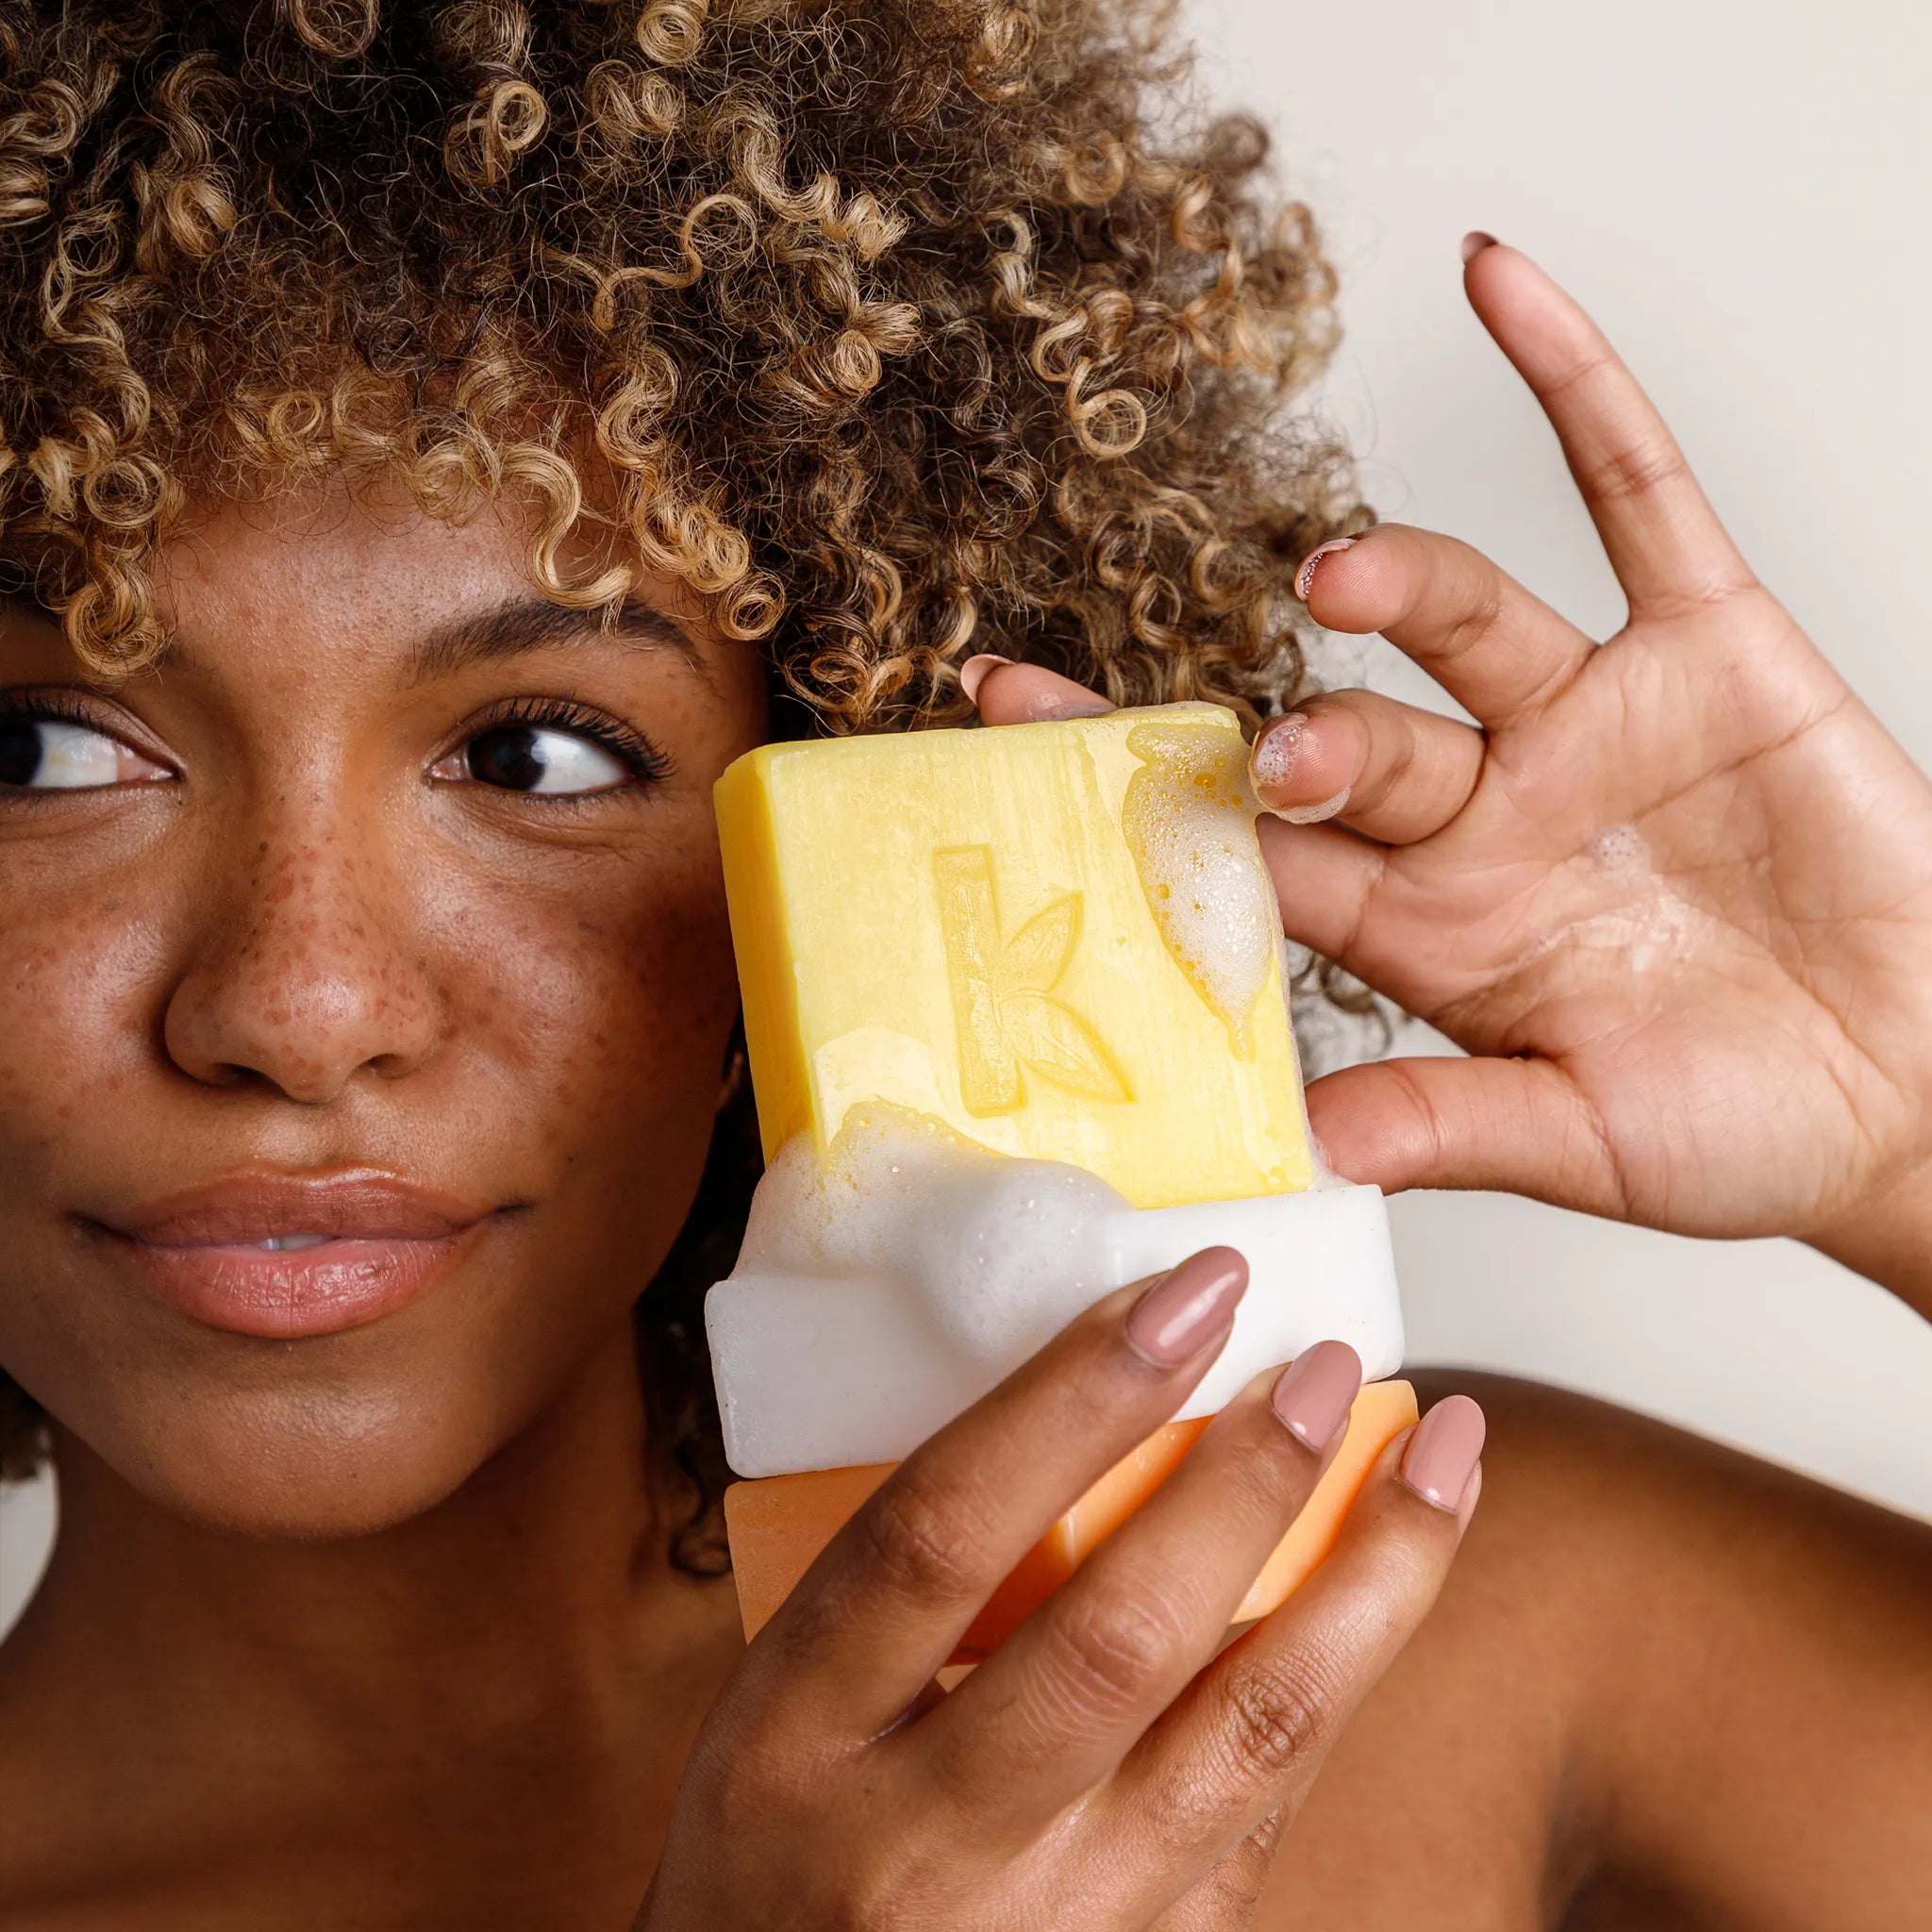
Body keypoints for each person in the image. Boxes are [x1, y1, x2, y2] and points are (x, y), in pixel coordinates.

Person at [1, 4, 1928, 1925]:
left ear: (840, 809)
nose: (297, 1004)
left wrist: (1912, 1137)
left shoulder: (1411, 1623)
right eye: (45, 754)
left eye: (538, 756)